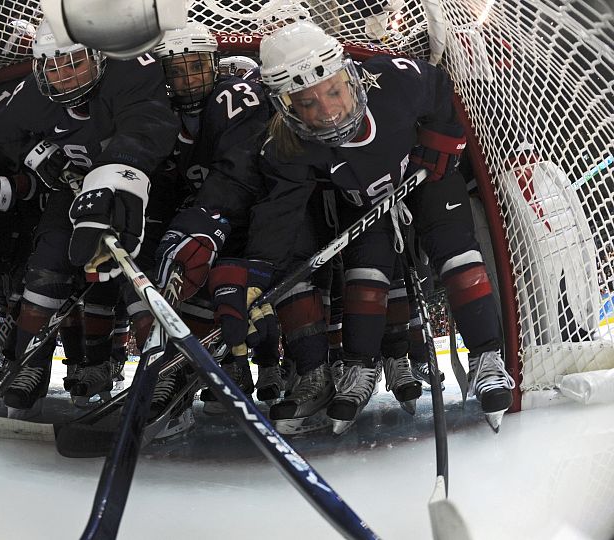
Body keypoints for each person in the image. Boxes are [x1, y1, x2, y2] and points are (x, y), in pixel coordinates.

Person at [217, 20, 513, 434]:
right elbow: (280, 214)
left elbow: (439, 89)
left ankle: (488, 358)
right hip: (367, 203)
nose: (329, 109)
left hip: (425, 178)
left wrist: (443, 137)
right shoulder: (288, 148)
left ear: (349, 75)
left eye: (334, 90)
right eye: (308, 103)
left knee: (456, 252)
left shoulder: (393, 80)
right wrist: (258, 271)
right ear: (286, 107)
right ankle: (359, 369)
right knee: (366, 272)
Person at [0, 19, 177, 417]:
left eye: (74, 63)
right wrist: (39, 154)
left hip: (137, 190)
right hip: (73, 193)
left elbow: (151, 123)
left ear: (98, 56)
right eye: (53, 67)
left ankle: (159, 371)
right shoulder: (32, 95)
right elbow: (3, 129)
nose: (63, 77)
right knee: (47, 265)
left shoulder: (128, 67)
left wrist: (116, 176)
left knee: (138, 273)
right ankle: (30, 365)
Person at [149, 22, 276, 421]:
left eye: (197, 66)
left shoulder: (230, 97)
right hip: (206, 212)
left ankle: (249, 371)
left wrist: (205, 217)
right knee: (178, 273)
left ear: (214, 64)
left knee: (227, 283)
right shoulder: (158, 111)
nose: (189, 79)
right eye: (178, 69)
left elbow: (242, 169)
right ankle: (175, 368)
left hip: (247, 212)